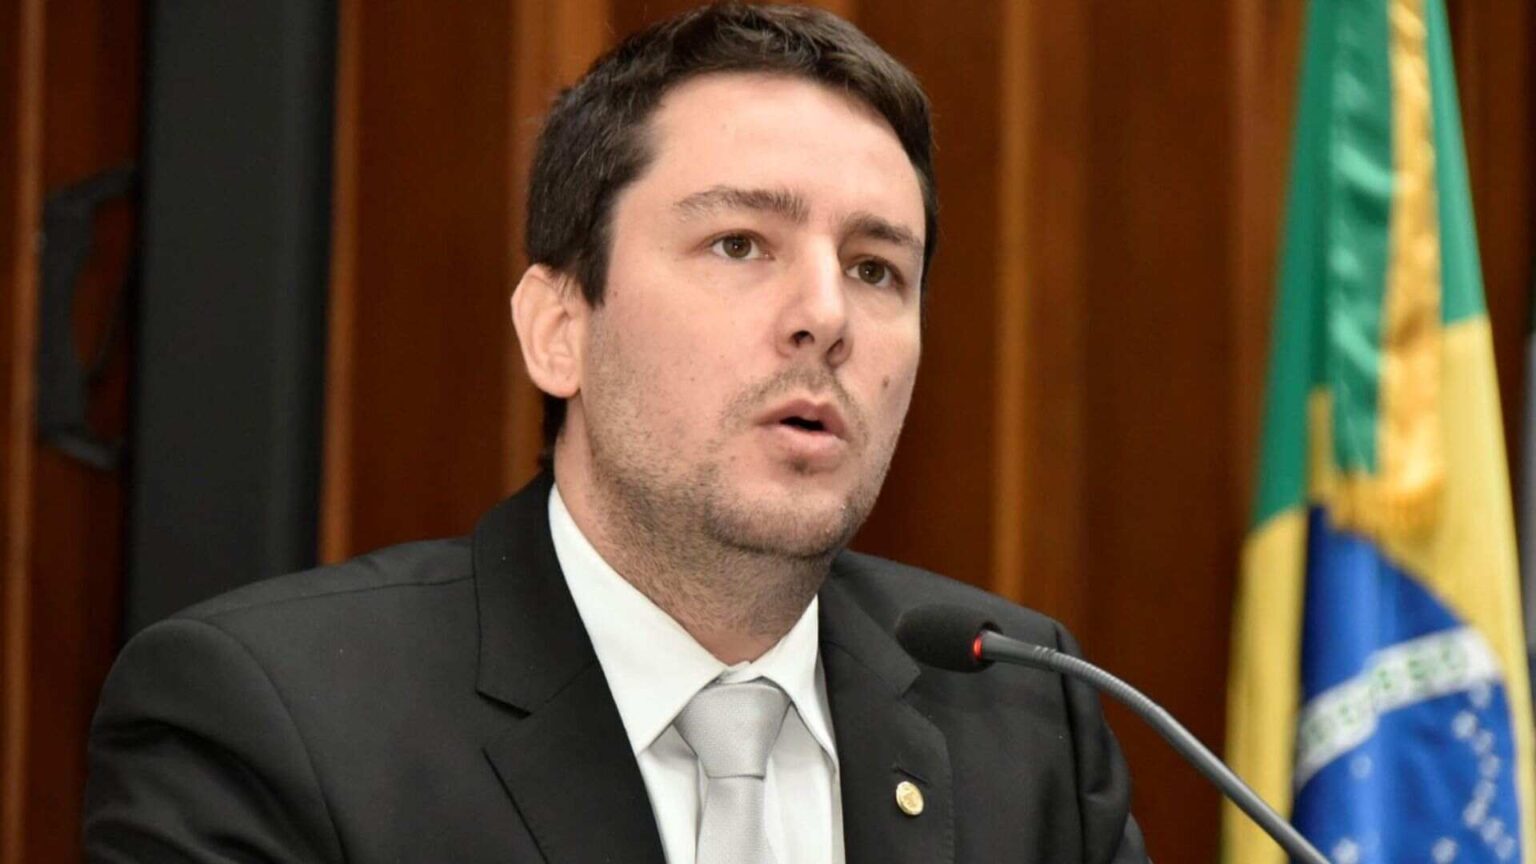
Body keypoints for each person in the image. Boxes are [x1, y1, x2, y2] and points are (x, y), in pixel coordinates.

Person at [84, 4, 1149, 862]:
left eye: (876, 269)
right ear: (559, 331)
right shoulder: (275, 719)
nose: (827, 314)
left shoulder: (1020, 712)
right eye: (740, 243)